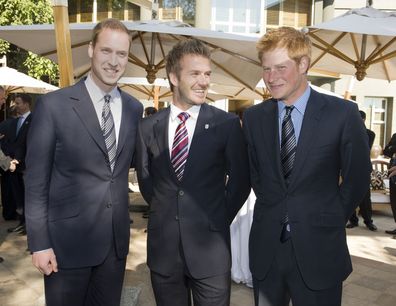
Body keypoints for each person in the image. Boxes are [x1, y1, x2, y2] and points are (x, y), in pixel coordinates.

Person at [242, 27, 371, 306]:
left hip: (320, 247)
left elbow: (358, 177)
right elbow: (256, 175)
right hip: (267, 249)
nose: (271, 78)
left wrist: (331, 217)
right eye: (266, 69)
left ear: (303, 64)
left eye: (280, 67)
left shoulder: (342, 113)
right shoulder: (253, 118)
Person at [24, 19, 143, 306]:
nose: (114, 62)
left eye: (122, 54)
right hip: (66, 247)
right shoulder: (54, 106)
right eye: (106, 51)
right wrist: (39, 243)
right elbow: (36, 182)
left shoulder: (133, 108)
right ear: (90, 50)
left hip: (114, 248)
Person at [136, 39, 250, 306]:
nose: (203, 82)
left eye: (207, 74)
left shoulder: (227, 124)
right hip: (163, 252)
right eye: (195, 74)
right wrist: (168, 213)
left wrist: (217, 217)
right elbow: (145, 180)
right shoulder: (146, 127)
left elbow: (241, 180)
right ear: (174, 77)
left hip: (211, 252)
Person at [3, 93, 32, 235]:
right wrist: (10, 160)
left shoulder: (34, 120)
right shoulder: (14, 122)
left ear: (26, 104)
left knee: (28, 196)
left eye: (18, 103)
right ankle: (21, 222)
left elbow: (29, 143)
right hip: (13, 165)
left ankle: (29, 225)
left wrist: (19, 159)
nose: (16, 106)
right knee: (18, 197)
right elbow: (12, 142)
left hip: (27, 165)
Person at [346, 110, 377, 231]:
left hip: (364, 168)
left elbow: (363, 147)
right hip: (350, 168)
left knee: (365, 196)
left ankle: (368, 221)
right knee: (350, 195)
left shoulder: (370, 134)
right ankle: (353, 220)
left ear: (363, 120)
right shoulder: (348, 132)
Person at [383, 134, 396, 235]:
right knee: (394, 201)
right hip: (393, 173)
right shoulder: (395, 136)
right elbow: (386, 151)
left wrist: (393, 148)